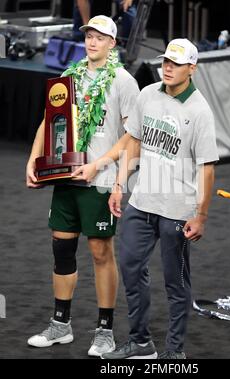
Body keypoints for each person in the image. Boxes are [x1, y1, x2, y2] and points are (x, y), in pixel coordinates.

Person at [90, 38, 219, 359]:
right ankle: (141, 341)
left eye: (176, 63)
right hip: (141, 202)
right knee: (131, 268)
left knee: (175, 284)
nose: (168, 67)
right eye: (165, 62)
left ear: (192, 68)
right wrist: (120, 184)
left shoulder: (200, 111)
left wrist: (201, 215)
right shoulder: (148, 95)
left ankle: (175, 352)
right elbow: (133, 141)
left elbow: (208, 169)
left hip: (177, 210)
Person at [25, 15, 140, 356]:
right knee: (61, 248)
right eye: (89, 35)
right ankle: (61, 325)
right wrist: (34, 159)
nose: (92, 41)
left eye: (100, 37)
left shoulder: (123, 81)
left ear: (112, 44)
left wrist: (98, 166)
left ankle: (105, 330)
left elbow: (132, 138)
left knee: (100, 251)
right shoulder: (68, 77)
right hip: (65, 177)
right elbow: (49, 122)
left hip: (101, 181)